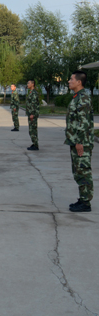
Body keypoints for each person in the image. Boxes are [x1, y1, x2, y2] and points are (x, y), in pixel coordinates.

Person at [65, 71, 94, 212]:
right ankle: (83, 198)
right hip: (76, 140)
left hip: (82, 142)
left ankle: (86, 203)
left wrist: (80, 142)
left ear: (79, 82)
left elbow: (84, 123)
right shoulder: (77, 97)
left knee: (83, 171)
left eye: (71, 79)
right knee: (78, 172)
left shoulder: (83, 98)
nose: (69, 81)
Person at [25, 80, 39, 150]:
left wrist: (32, 114)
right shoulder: (30, 92)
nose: (27, 84)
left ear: (33, 84)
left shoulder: (34, 93)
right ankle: (34, 143)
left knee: (33, 130)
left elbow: (34, 104)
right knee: (31, 130)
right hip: (30, 114)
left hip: (32, 114)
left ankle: (35, 145)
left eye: (29, 83)